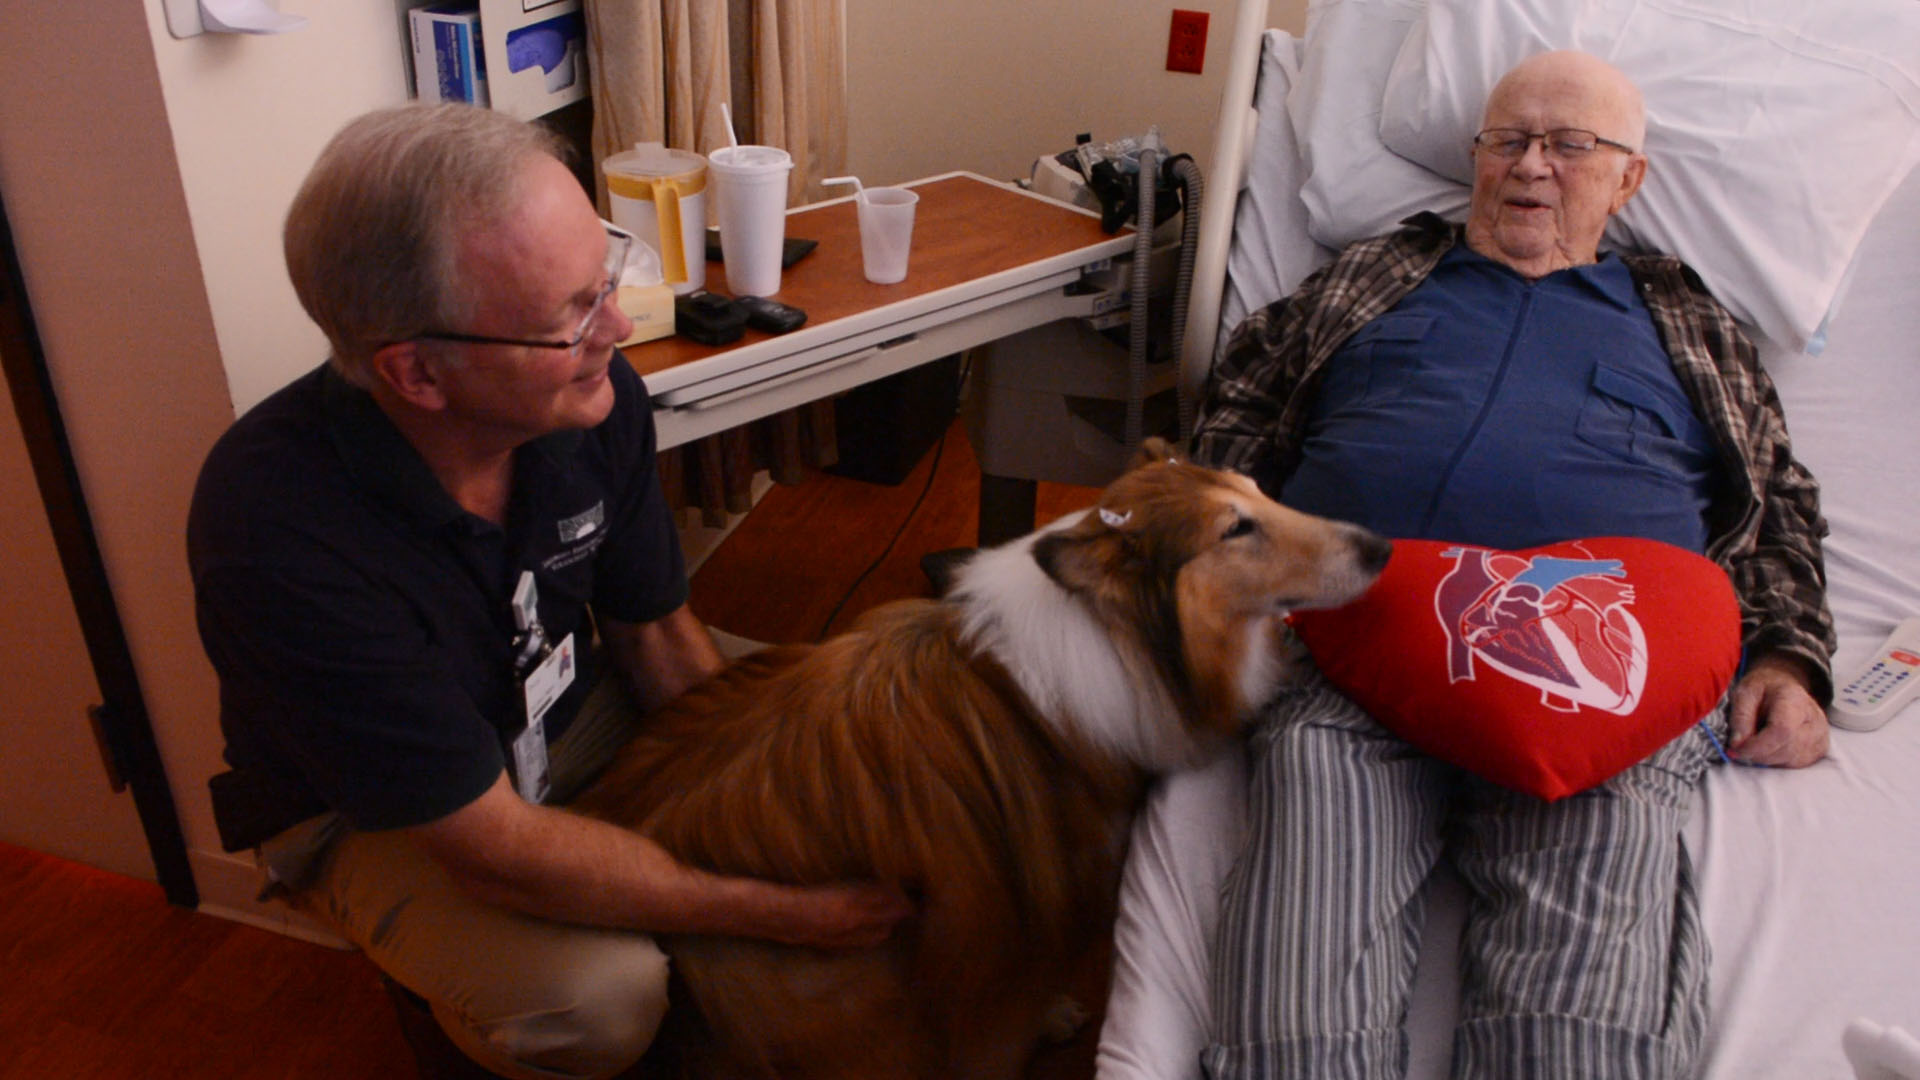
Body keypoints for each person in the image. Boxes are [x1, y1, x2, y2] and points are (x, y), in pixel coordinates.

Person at [187, 103, 911, 1080]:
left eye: (604, 273)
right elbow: (487, 844)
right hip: (383, 814)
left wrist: (767, 795)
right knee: (600, 999)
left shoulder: (592, 405)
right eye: (570, 314)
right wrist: (776, 909)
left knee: (869, 741)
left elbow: (655, 638)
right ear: (417, 372)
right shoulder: (273, 529)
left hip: (569, 707)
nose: (616, 324)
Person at [1191, 51, 1834, 1078]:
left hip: (1602, 670)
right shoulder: (1371, 275)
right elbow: (1238, 414)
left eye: (1571, 145)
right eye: (1508, 139)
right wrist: (1228, 583)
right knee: (1305, 922)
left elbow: (1778, 500)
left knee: (1572, 1019)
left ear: (1630, 180)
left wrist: (1791, 659)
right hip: (1355, 643)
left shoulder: (1690, 320)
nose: (1533, 165)